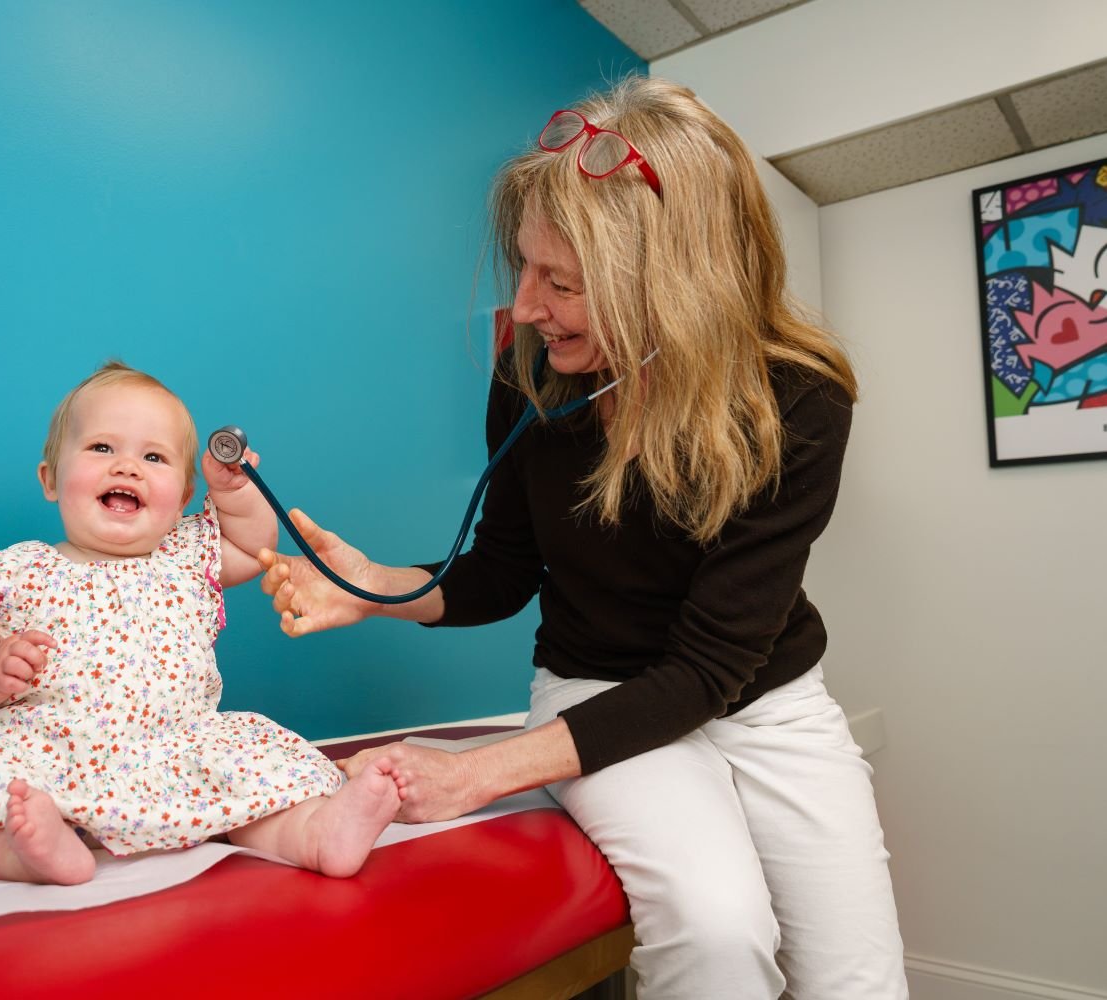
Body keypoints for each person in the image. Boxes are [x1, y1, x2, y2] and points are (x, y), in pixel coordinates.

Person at [256, 77, 907, 998]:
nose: (524, 309)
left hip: (764, 700)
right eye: (524, 268)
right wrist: (375, 586)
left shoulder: (798, 399)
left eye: (559, 283)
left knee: (860, 982)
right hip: (592, 682)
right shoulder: (532, 377)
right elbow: (501, 572)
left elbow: (706, 673)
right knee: (718, 936)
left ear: (673, 287)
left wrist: (478, 775)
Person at [0, 361, 401, 884]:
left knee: (259, 760)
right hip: (44, 758)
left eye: (153, 456)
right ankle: (28, 851)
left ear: (182, 495)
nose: (128, 466)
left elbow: (252, 545)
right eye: (101, 448)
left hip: (176, 754)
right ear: (50, 479)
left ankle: (317, 833)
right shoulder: (20, 572)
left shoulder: (185, 555)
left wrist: (235, 492)